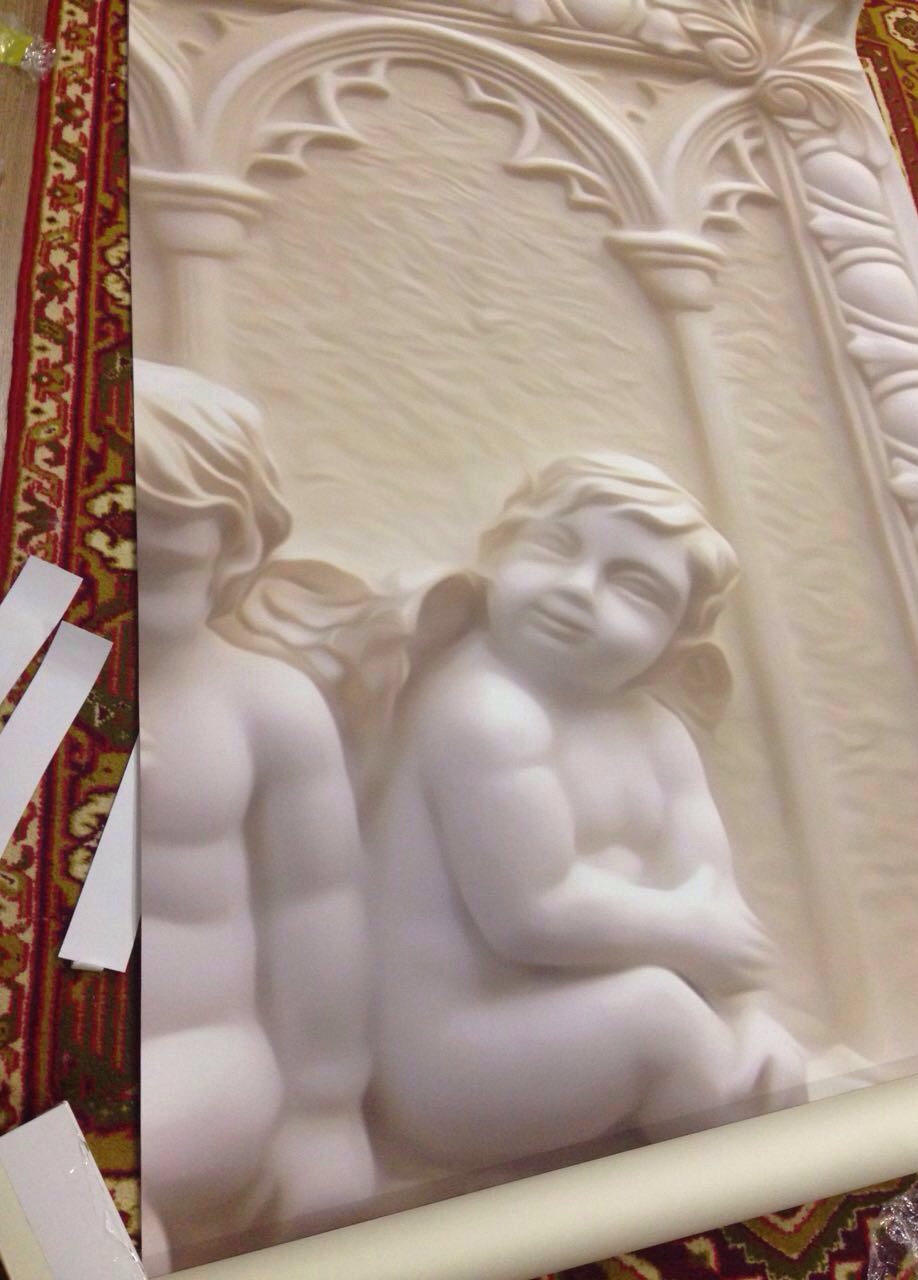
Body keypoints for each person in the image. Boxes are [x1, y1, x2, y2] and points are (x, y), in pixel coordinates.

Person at [367, 452, 805, 1171]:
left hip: (595, 1023)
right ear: (499, 553)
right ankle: (758, 1189)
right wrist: (691, 940)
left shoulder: (657, 732)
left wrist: (741, 1016)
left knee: (764, 1056)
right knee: (662, 1019)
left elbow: (712, 900)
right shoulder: (484, 708)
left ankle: (771, 1172)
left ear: (675, 640)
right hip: (455, 1058)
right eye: (555, 548)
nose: (576, 589)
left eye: (634, 588)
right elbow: (531, 913)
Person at [135, 360, 375, 1272]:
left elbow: (317, 908)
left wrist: (325, 1111)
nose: (109, 585)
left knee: (71, 1184)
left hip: (200, 1062)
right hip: (30, 1066)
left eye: (158, 567)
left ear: (231, 553)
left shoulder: (262, 705)